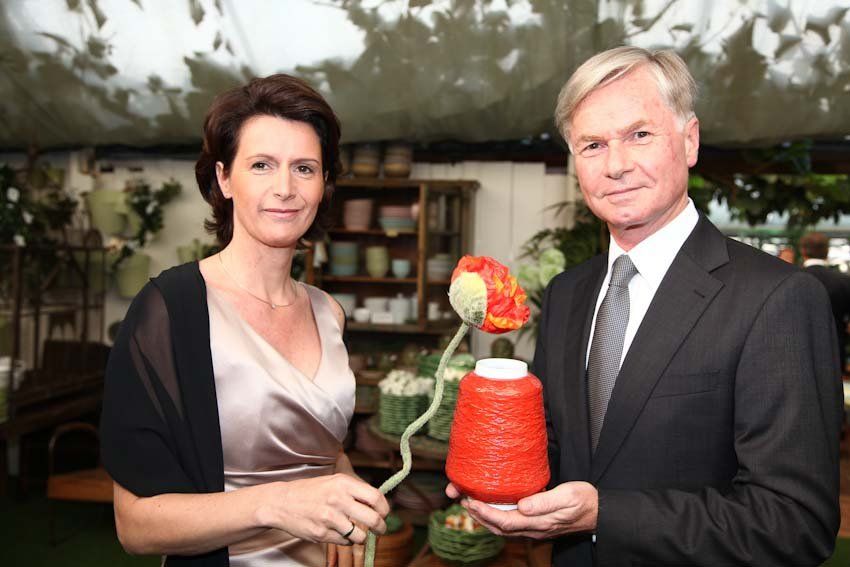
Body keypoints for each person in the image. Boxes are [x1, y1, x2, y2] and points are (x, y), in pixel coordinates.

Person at [448, 46, 843, 565]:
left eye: (639, 135)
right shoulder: (567, 293)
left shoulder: (777, 298)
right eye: (593, 145)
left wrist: (604, 515)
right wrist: (496, 475)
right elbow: (559, 449)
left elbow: (795, 523)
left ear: (690, 140)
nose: (616, 165)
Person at [100, 74, 389, 567]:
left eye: (304, 168)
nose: (285, 188)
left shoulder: (328, 312)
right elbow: (136, 526)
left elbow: (320, 448)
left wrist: (344, 488)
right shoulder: (172, 309)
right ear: (224, 179)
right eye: (261, 165)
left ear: (324, 186)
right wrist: (277, 504)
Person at [800, 232, 850, 373]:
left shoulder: (788, 278)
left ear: (803, 251)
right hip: (834, 352)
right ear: (827, 251)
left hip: (797, 353)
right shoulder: (844, 281)